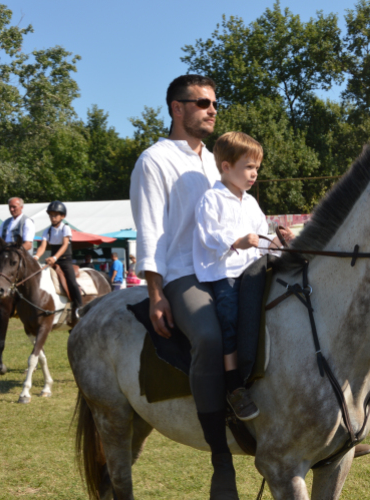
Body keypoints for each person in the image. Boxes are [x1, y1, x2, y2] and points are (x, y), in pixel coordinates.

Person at [130, 74, 237, 497]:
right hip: (182, 273)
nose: (212, 109)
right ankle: (221, 459)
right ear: (177, 108)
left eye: (214, 103)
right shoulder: (154, 160)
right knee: (209, 337)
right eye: (203, 103)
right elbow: (150, 230)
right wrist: (156, 293)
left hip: (228, 267)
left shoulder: (217, 160)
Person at [194, 131, 287, 423]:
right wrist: (237, 241)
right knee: (229, 318)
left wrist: (277, 242)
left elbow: (262, 235)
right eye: (248, 167)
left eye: (256, 168)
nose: (254, 173)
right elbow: (210, 235)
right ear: (225, 167)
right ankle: (233, 384)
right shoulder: (211, 199)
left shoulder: (250, 203)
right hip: (225, 275)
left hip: (253, 272)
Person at [34, 201, 83, 319]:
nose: (53, 217)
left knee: (71, 281)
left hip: (65, 260)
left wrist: (55, 257)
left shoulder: (65, 228)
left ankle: (80, 307)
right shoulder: (47, 231)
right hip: (53, 260)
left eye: (56, 215)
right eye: (51, 215)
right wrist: (35, 257)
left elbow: (65, 245)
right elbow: (43, 246)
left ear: (62, 216)